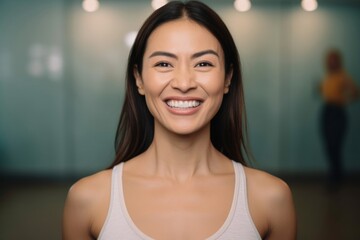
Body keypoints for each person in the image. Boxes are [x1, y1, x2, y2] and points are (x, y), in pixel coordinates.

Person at [62, 1, 296, 239]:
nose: (184, 83)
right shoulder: (87, 200)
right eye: (164, 64)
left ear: (228, 78)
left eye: (203, 63)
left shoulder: (271, 199)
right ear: (139, 79)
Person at [320, 49, 359, 188]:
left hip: (337, 112)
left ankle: (337, 178)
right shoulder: (328, 76)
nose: (331, 62)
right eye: (329, 59)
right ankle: (334, 176)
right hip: (327, 111)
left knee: (335, 145)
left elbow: (355, 92)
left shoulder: (343, 76)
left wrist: (343, 100)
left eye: (333, 59)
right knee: (329, 146)